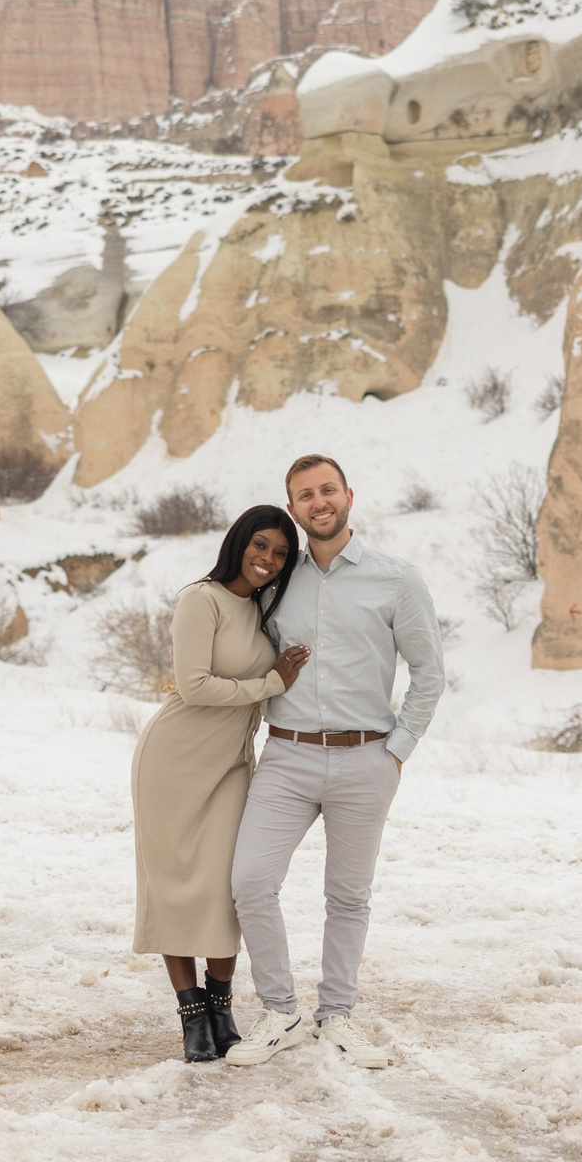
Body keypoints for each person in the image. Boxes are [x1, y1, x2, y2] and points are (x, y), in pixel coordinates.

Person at [226, 453, 444, 1070]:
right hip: (287, 756)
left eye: (327, 490)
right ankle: (281, 1012)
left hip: (366, 758)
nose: (318, 502)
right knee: (250, 882)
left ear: (348, 496)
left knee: (348, 896)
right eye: (305, 495)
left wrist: (397, 750)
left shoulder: (396, 579)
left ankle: (338, 1014)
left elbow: (429, 672)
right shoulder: (276, 580)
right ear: (292, 508)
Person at [131, 504, 310, 1062]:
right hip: (173, 760)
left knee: (224, 887)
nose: (268, 559)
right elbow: (194, 686)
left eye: (280, 553)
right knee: (174, 884)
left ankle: (222, 1006)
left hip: (231, 764)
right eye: (260, 545)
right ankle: (193, 1017)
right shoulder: (200, 599)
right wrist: (270, 683)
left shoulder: (263, 610)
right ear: (239, 543)